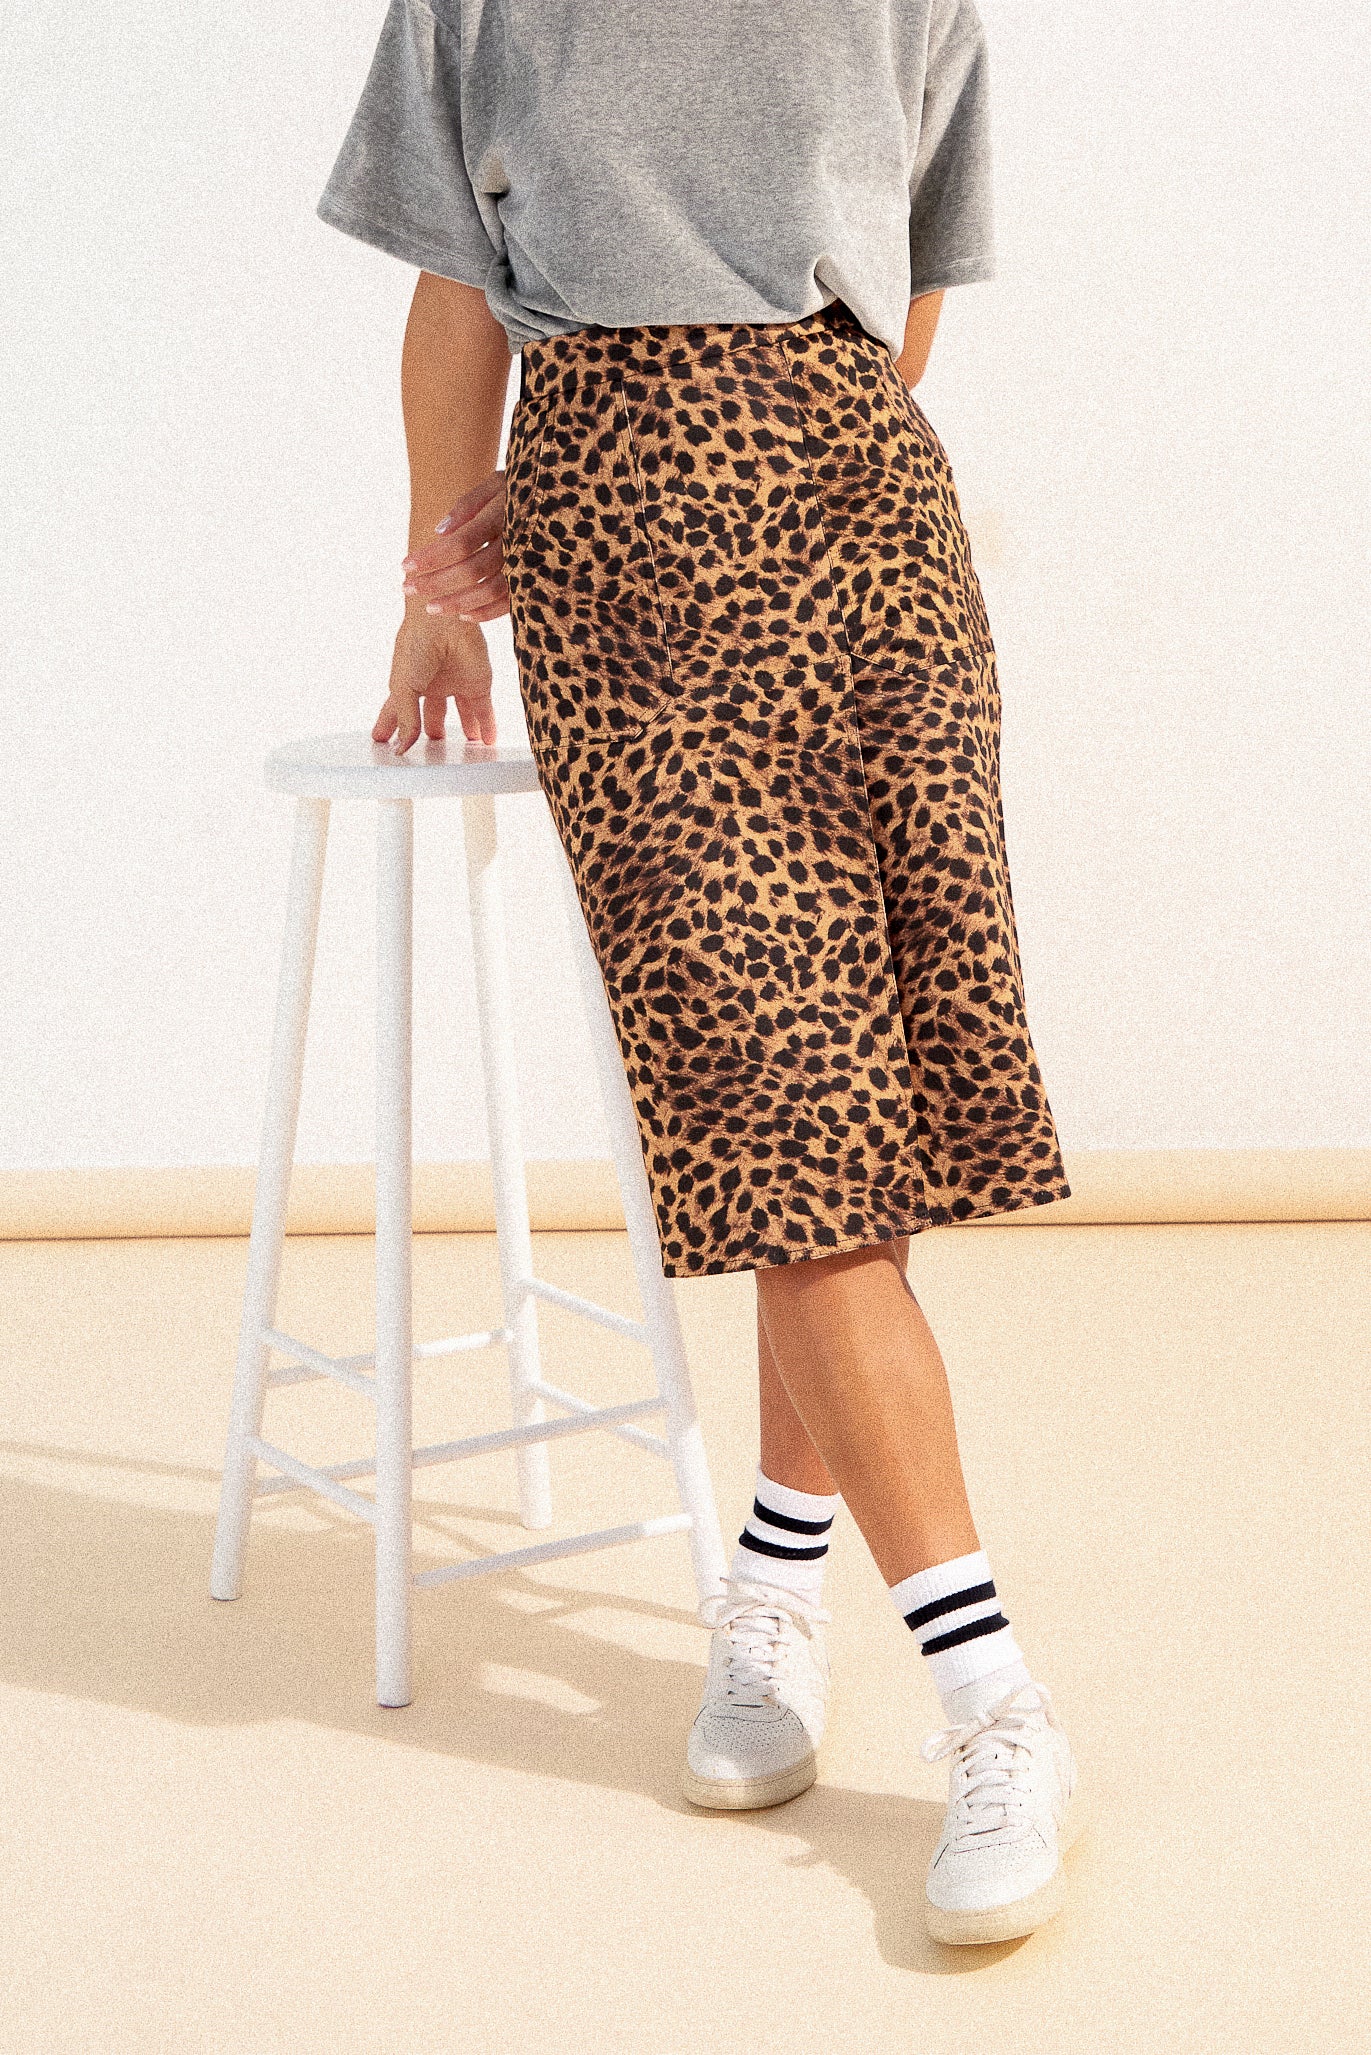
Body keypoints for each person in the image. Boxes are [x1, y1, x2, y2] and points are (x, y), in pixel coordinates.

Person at [316, 0, 1086, 1945]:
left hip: (870, 547)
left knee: (858, 1122)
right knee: (778, 1111)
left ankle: (772, 1582)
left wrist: (736, 427)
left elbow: (904, 293)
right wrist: (439, 590)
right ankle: (996, 1704)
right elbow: (455, 294)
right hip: (621, 569)